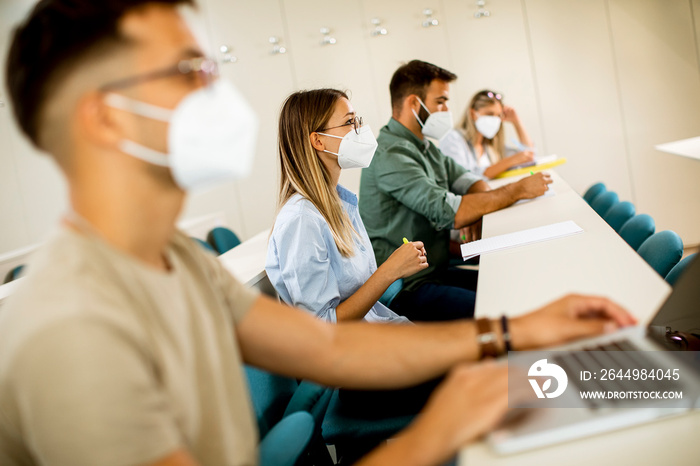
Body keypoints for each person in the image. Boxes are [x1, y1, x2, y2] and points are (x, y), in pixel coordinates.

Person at [0, 2, 637, 466]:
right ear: (107, 118)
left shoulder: (172, 262)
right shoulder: (73, 330)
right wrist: (431, 434)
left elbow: (327, 349)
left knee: (625, 381)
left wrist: (509, 331)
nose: (214, 91)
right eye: (187, 71)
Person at [359, 60, 552, 322]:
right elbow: (450, 211)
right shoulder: (390, 155)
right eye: (440, 102)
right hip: (408, 288)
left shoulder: (425, 147)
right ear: (415, 104)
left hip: (435, 271)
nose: (446, 110)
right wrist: (515, 190)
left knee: (516, 288)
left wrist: (474, 210)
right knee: (505, 310)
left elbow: (471, 181)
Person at [266, 88, 427, 324]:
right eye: (350, 122)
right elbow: (323, 325)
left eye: (357, 120)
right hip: (358, 352)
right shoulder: (301, 220)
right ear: (318, 140)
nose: (359, 130)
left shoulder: (340, 201)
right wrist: (390, 271)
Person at [440, 89, 536, 179]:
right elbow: (463, 179)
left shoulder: (490, 146)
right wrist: (509, 162)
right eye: (489, 114)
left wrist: (517, 122)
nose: (495, 120)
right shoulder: (453, 138)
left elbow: (528, 156)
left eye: (498, 115)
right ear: (473, 113)